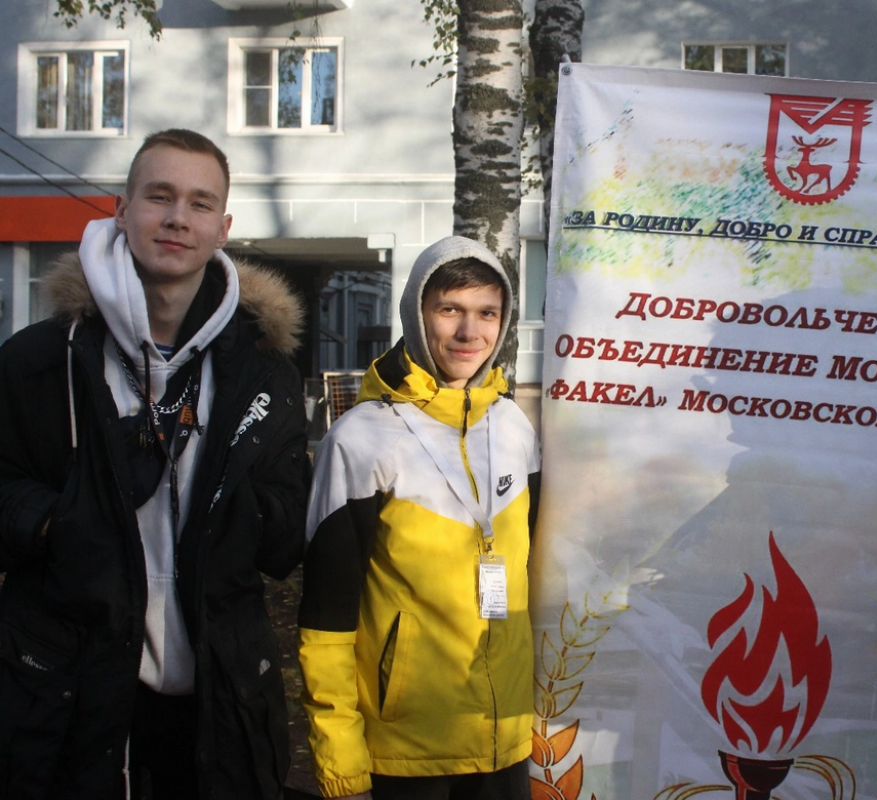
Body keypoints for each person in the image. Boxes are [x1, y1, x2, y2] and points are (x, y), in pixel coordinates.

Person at [0, 129, 310, 799]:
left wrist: (240, 511)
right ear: (121, 209)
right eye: (159, 196)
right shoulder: (42, 359)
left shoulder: (264, 375)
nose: (177, 218)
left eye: (200, 203)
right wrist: (55, 524)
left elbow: (286, 534)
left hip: (217, 700)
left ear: (223, 227)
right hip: (70, 693)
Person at [299, 236, 540, 799]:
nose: (469, 333)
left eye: (487, 313)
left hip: (506, 740)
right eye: (449, 309)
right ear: (415, 313)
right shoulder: (359, 440)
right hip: (405, 755)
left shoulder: (513, 428)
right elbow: (324, 618)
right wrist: (340, 762)